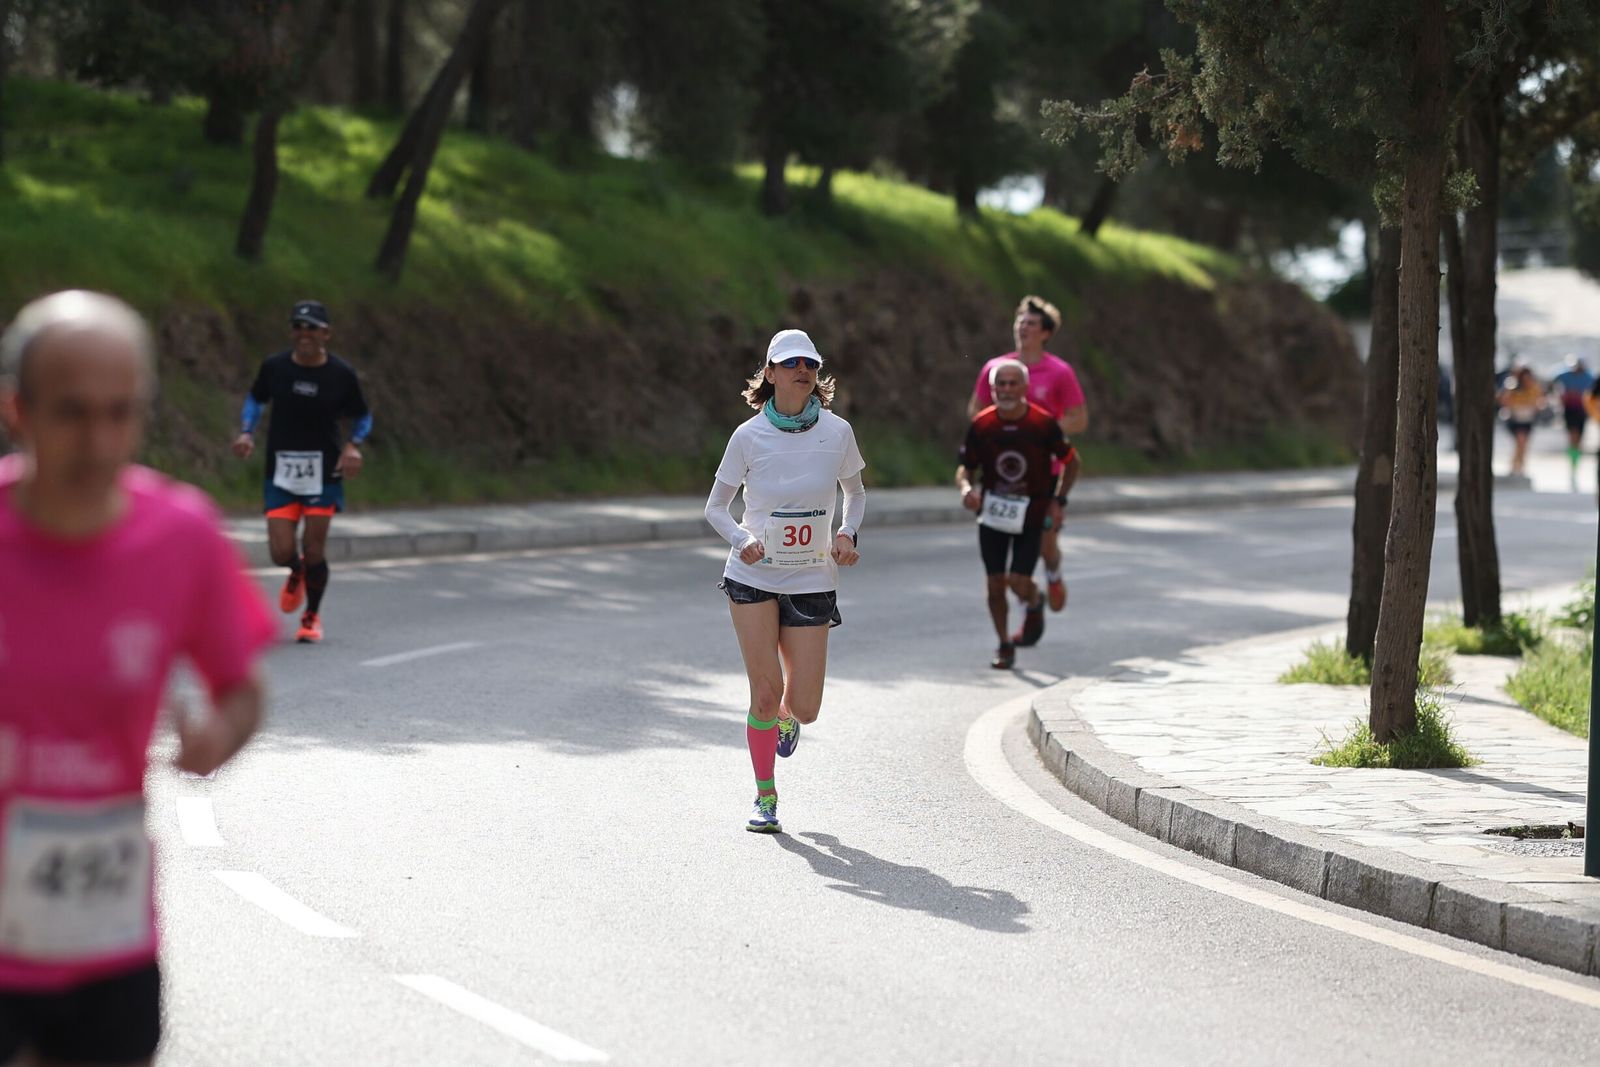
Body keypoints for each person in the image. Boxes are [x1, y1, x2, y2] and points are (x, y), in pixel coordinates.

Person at [0, 291, 274, 1066]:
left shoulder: (179, 535)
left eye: (121, 413)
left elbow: (243, 687)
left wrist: (219, 733)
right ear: (17, 409)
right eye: (74, 413)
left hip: (107, 939)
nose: (100, 441)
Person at [704, 329, 864, 834]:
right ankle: (765, 797)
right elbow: (715, 507)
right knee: (765, 694)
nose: (803, 371)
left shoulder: (837, 432)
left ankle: (789, 720)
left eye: (811, 365)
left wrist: (845, 531)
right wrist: (740, 538)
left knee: (807, 708)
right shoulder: (747, 436)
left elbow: (854, 493)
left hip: (813, 575)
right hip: (752, 575)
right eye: (791, 363)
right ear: (769, 373)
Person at [232, 300, 372, 644]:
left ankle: (311, 616)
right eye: (298, 326)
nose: (304, 333)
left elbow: (362, 416)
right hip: (281, 470)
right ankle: (296, 572)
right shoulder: (275, 367)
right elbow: (256, 399)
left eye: (311, 327)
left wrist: (353, 444)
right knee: (280, 551)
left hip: (324, 471)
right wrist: (247, 432)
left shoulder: (341, 375)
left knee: (314, 548)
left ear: (326, 333)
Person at [957, 358, 1081, 669]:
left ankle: (1034, 598)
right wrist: (965, 489)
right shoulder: (982, 424)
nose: (1007, 389)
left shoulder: (1042, 423)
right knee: (995, 583)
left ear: (1025, 388)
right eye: (1001, 384)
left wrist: (1058, 501)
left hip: (1032, 513)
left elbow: (1072, 461)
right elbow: (965, 469)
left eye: (1013, 384)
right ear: (992, 388)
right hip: (993, 512)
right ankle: (1004, 643)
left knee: (1017, 581)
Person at [967, 295, 1087, 614]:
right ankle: (1029, 603)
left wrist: (1040, 432)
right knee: (1004, 558)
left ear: (1045, 333)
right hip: (1002, 474)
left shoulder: (1059, 372)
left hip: (1043, 473)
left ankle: (1053, 572)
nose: (1023, 327)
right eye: (1020, 321)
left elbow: (1079, 417)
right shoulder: (997, 368)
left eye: (1031, 323)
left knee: (1046, 541)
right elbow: (976, 411)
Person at [1550, 355, 1594, 490]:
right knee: (1572, 438)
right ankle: (1572, 467)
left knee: (1578, 441)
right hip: (1569, 411)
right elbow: (1552, 381)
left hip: (1582, 412)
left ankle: (1575, 466)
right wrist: (1560, 395)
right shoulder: (1564, 375)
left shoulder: (1588, 377)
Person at [1496, 364, 1543, 477]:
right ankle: (1516, 465)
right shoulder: (1511, 386)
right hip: (1515, 419)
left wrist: (1534, 407)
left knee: (1523, 444)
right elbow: (1503, 399)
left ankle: (1518, 465)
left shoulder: (1534, 387)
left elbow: (1539, 401)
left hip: (1528, 419)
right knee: (1520, 441)